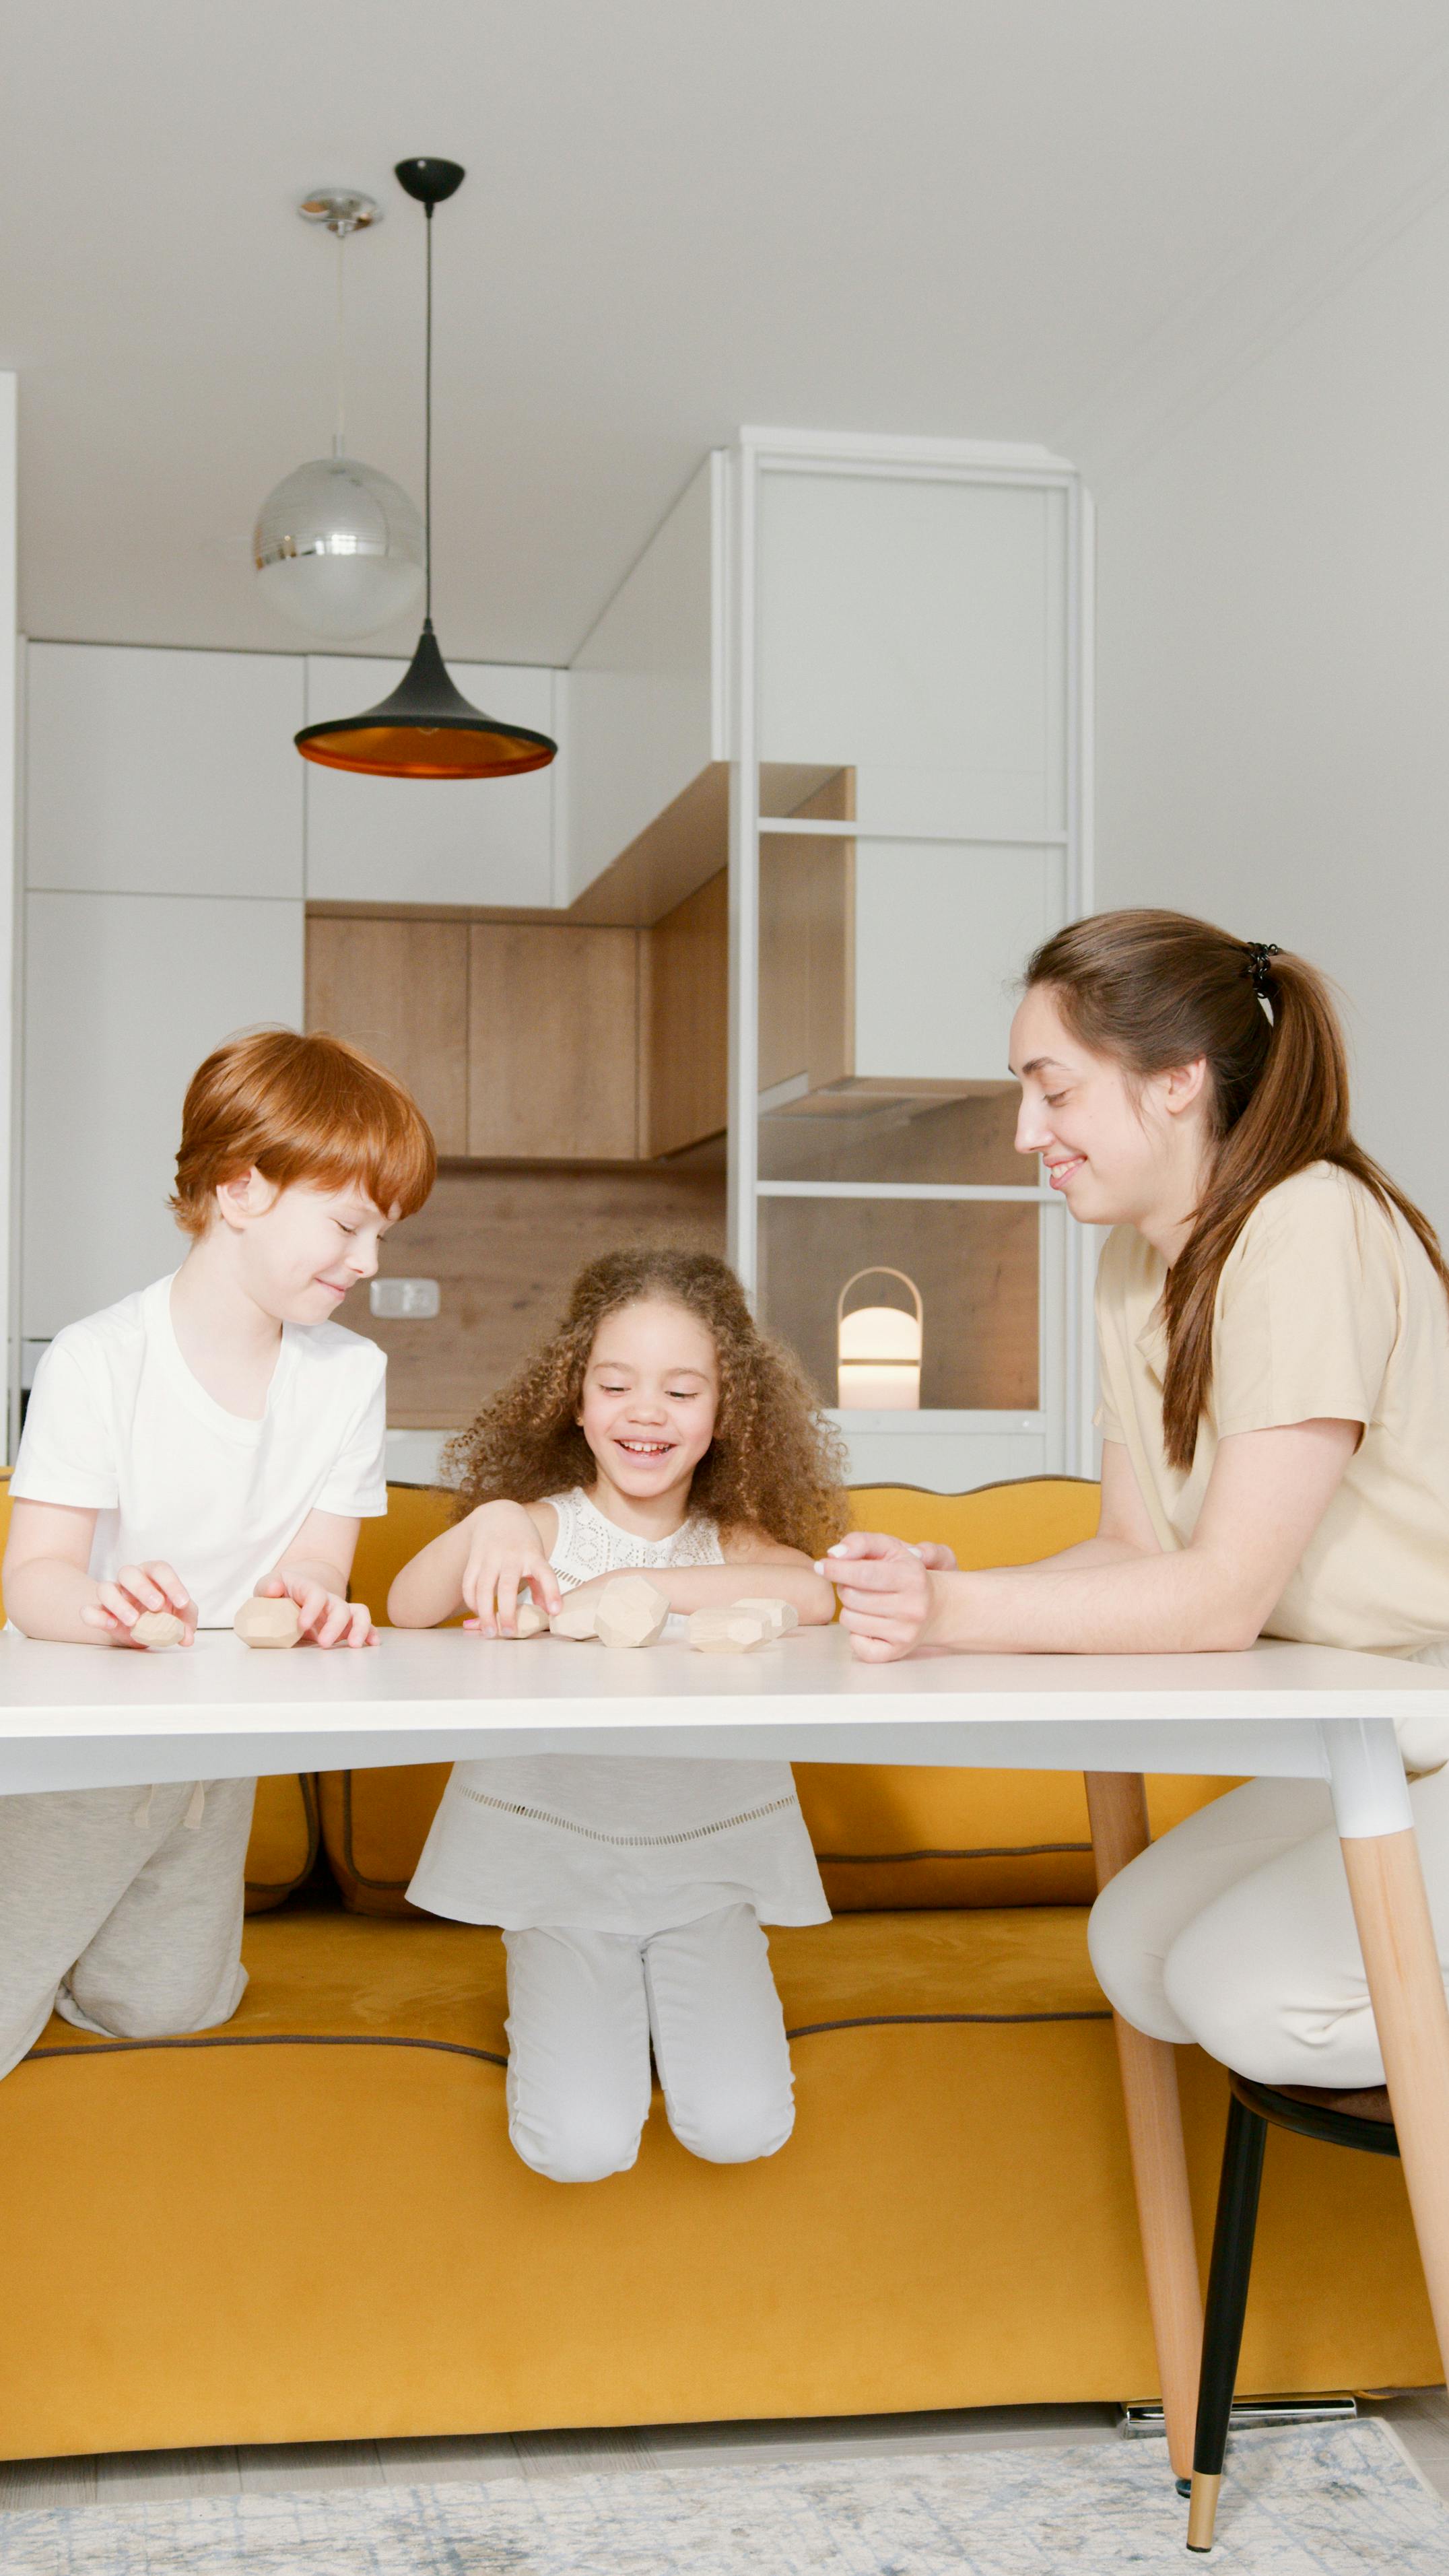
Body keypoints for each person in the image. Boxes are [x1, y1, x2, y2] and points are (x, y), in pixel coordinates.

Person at [824, 909, 1449, 2093]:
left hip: (1428, 1699)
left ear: (1175, 1081)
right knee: (1139, 1952)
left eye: (1052, 1093)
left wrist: (953, 1621)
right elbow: (1129, 1546)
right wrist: (944, 1588)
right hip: (1379, 1718)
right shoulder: (1134, 1262)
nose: (1025, 1133)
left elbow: (1220, 1597)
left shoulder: (1308, 1224)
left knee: (1255, 1999)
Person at [0, 1027, 436, 2081]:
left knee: (164, 2010)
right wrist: (106, 1603)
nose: (369, 1262)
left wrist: (314, 1600)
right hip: (77, 1749)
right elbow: (34, 1576)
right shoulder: (100, 1358)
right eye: (345, 1223)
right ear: (239, 1189)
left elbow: (319, 1567)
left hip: (213, 1756)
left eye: (381, 1232)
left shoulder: (349, 1375)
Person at [389, 1248, 846, 2182]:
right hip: (560, 1872)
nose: (646, 1412)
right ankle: (603, 2010)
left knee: (740, 2125)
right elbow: (406, 1604)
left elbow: (814, 1592)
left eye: (682, 1391)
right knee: (580, 2145)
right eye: (617, 1385)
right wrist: (489, 1525)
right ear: (576, 1397)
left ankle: (655, 2011)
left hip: (707, 1875)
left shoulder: (731, 1539)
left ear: (727, 1413)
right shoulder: (542, 1527)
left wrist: (647, 1583)